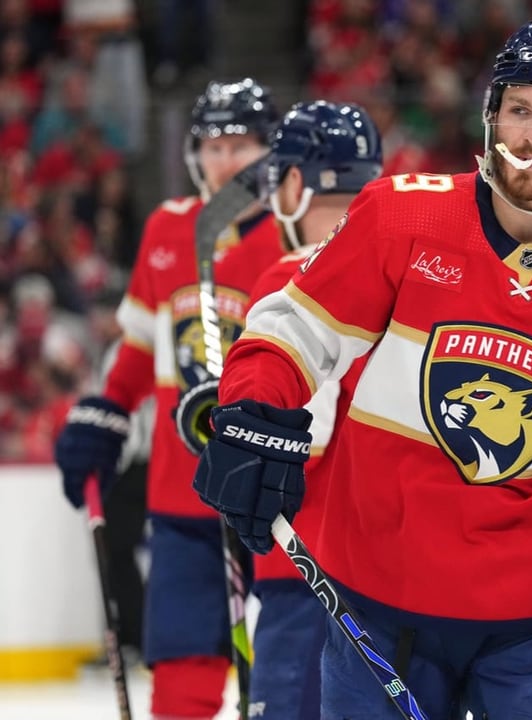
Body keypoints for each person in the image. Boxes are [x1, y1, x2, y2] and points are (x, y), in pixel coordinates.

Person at [194, 21, 532, 720]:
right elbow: (292, 331)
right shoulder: (400, 220)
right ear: (490, 117)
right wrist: (254, 410)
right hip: (381, 601)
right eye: (519, 110)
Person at [53, 77, 283, 719]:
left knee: (292, 662)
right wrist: (108, 410)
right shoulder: (166, 228)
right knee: (183, 661)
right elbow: (138, 348)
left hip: (280, 493)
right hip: (182, 491)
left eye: (241, 146)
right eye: (213, 147)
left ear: (271, 153)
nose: (225, 161)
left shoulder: (295, 238)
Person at [244, 99, 383, 719]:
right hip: (394, 573)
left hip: (304, 568)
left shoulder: (289, 278)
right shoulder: (406, 273)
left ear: (295, 182)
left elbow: (304, 429)